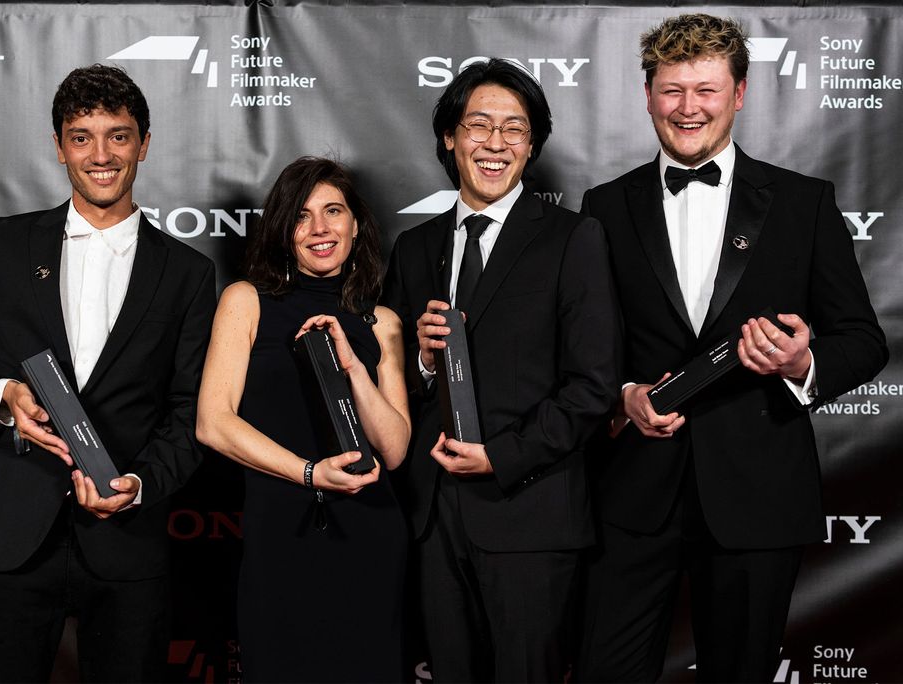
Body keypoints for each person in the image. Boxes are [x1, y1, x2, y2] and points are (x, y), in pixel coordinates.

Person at [576, 14, 888, 683]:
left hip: (758, 494)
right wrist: (624, 395)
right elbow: (585, 347)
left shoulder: (803, 203)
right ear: (648, 95)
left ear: (739, 93)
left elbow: (863, 341)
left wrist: (801, 362)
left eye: (707, 90)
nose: (688, 108)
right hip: (635, 493)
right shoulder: (603, 206)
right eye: (672, 90)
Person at [0, 64, 217, 682]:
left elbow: (190, 410)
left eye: (119, 135)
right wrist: (1, 395)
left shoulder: (187, 272)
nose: (101, 154)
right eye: (82, 136)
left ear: (145, 143)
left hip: (127, 541)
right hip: (8, 533)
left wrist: (139, 481)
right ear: (58, 146)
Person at [381, 58, 622, 682]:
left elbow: (594, 386)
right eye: (478, 125)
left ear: (533, 144)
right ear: (449, 137)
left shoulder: (574, 239)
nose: (495, 143)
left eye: (513, 129)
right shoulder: (415, 248)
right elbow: (393, 389)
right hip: (433, 519)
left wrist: (503, 455)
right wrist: (424, 364)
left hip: (531, 513)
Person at [196, 156, 410, 683]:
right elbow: (212, 423)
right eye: (301, 216)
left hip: (371, 537)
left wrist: (354, 367)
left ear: (356, 224)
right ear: (283, 230)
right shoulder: (246, 301)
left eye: (333, 211)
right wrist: (310, 472)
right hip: (283, 536)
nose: (320, 229)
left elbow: (397, 447)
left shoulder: (380, 323)